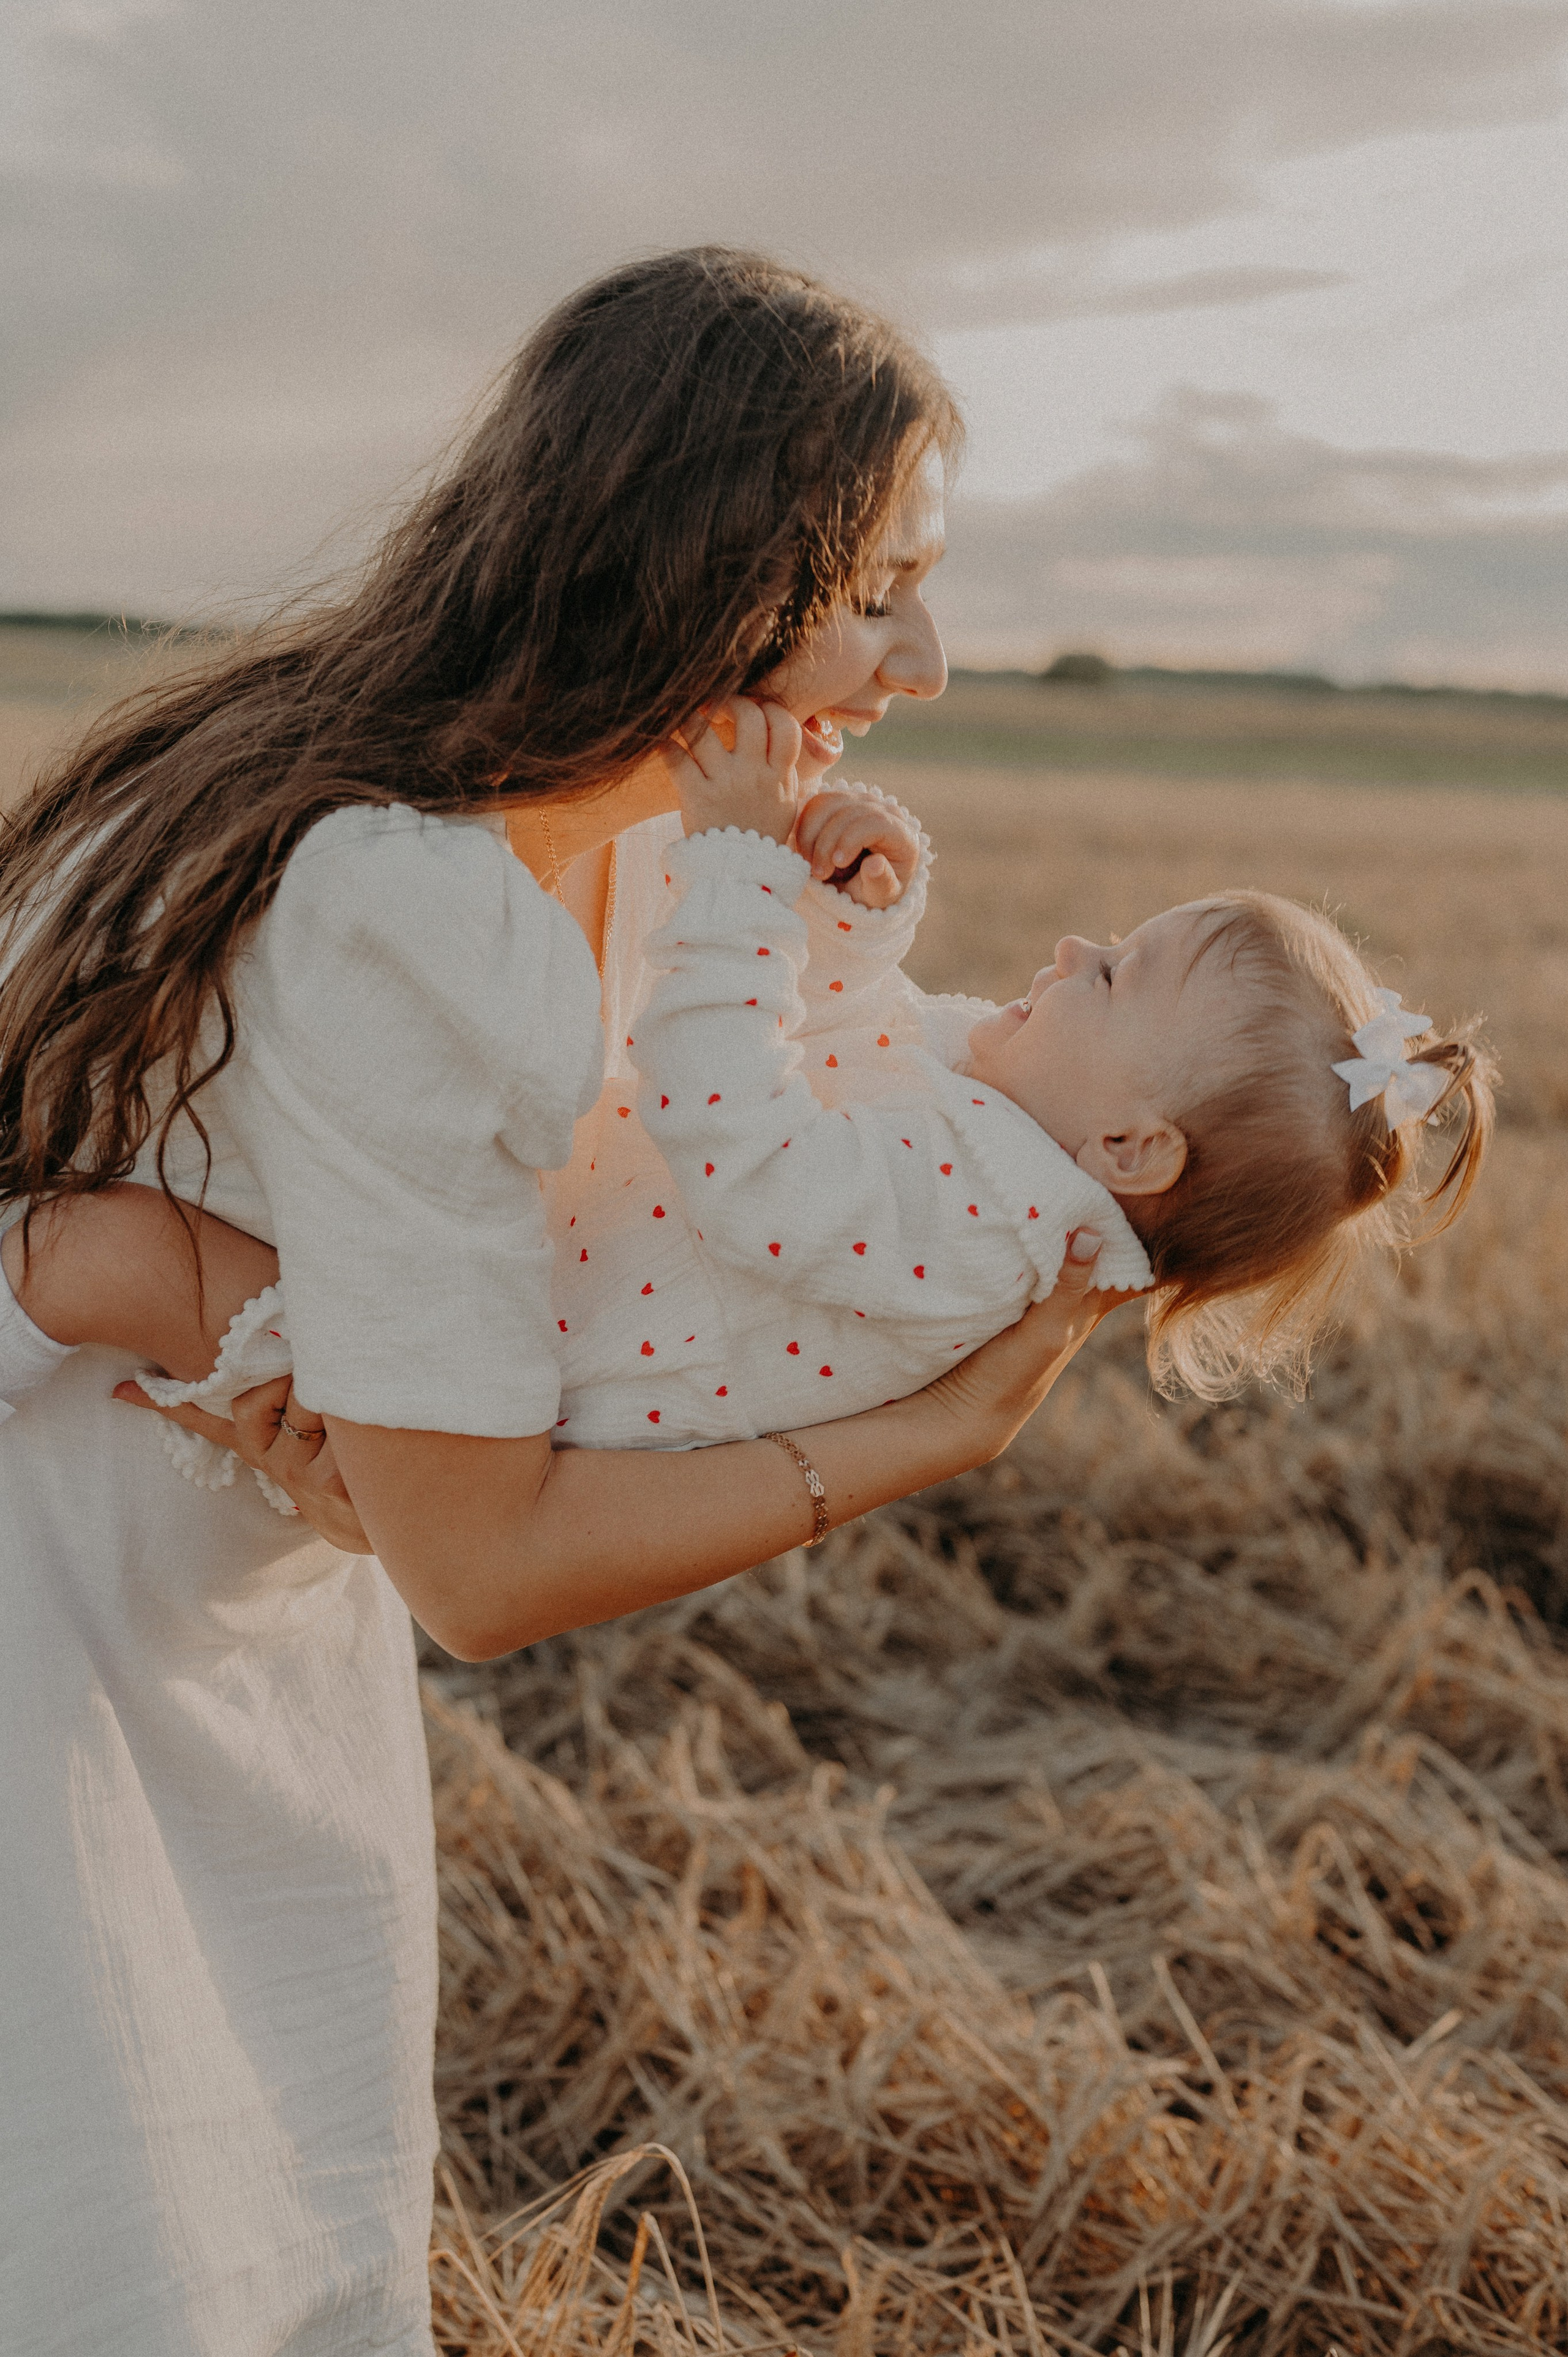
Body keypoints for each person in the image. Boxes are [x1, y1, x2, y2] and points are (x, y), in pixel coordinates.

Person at [0, 249, 1125, 2357]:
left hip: (207, 1570)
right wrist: (923, 1433)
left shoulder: (589, 837)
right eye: (885, 587)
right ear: (714, 574)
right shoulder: (405, 899)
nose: (934, 655)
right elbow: (487, 1557)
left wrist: (804, 915)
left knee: (251, 2178)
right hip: (51, 1607)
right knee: (120, 2228)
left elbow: (658, 1211)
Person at [4, 705, 1493, 1478]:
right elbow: (835, 1035)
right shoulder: (995, 1114)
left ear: (1132, 1143)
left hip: (496, 1372)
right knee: (175, 1157)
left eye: (1115, 973)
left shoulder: (984, 1234)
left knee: (103, 1252)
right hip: (499, 1281)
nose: (1073, 944)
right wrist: (847, 904)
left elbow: (740, 1141)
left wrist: (730, 872)